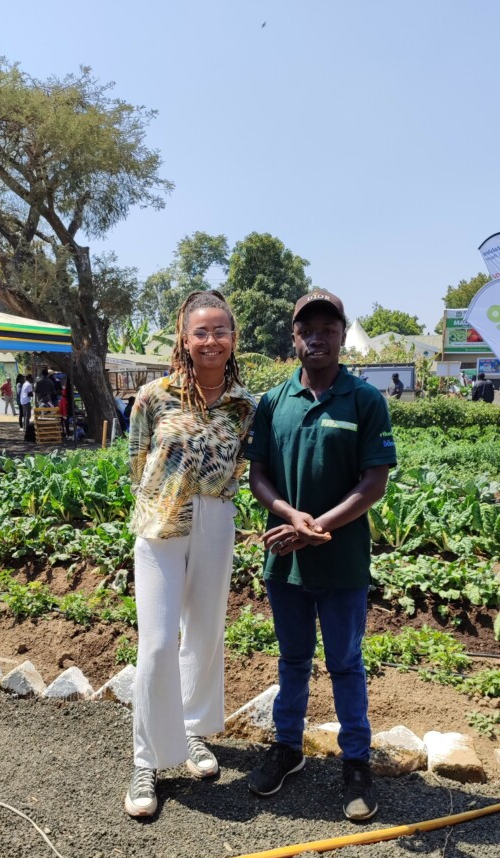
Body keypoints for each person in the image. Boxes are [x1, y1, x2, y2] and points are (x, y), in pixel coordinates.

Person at [246, 289, 397, 822]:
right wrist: (290, 515)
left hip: (342, 562)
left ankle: (356, 763)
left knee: (346, 664)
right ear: (294, 337)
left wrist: (321, 527)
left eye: (328, 328)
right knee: (291, 661)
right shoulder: (273, 402)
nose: (317, 336)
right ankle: (287, 750)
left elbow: (374, 481)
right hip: (284, 560)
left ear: (340, 334)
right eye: (306, 328)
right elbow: (257, 473)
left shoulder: (363, 400)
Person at [125, 289, 255, 817]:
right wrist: (164, 497)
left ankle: (195, 732)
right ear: (184, 337)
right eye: (200, 331)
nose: (210, 340)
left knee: (204, 634)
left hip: (216, 522)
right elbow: (137, 461)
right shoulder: (153, 396)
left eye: (219, 331)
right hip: (161, 522)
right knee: (157, 644)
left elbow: (246, 462)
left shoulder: (246, 404)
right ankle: (146, 761)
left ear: (232, 338)